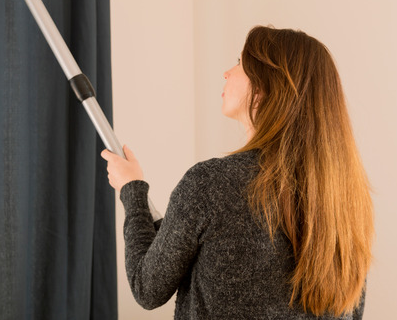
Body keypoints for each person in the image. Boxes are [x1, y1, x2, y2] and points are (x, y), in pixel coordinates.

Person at [101, 25, 374, 319]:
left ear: (262, 89)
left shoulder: (209, 184)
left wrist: (132, 190)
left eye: (240, 63)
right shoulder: (348, 201)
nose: (227, 72)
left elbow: (147, 288)